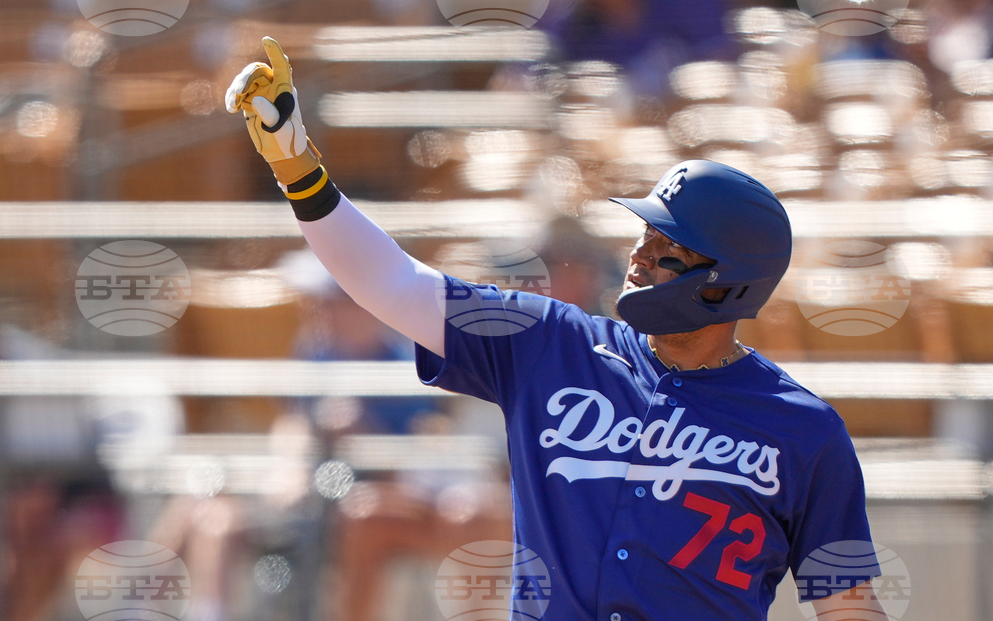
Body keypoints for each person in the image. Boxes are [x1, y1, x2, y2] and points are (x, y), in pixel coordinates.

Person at [226, 38, 890, 621]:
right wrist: (299, 171)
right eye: (643, 236)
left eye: (666, 249)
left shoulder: (803, 429)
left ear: (729, 279)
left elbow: (848, 605)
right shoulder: (552, 343)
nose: (637, 258)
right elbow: (394, 283)